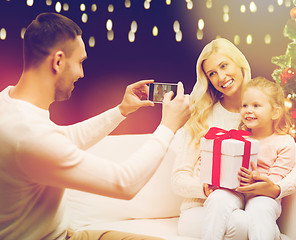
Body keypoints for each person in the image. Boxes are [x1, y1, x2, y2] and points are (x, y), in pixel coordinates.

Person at [0, 13, 190, 240]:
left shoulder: (9, 103)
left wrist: (121, 110)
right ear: (58, 61)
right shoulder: (28, 136)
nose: (81, 73)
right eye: (80, 62)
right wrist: (169, 126)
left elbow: (63, 138)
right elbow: (124, 183)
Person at [171, 38, 296, 239]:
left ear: (240, 64)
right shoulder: (201, 117)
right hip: (200, 208)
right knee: (242, 223)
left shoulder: (263, 112)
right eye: (212, 74)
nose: (221, 77)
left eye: (224, 66)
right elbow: (178, 178)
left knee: (248, 219)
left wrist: (276, 188)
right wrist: (206, 189)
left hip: (247, 204)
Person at [202, 76, 296, 240]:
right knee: (216, 199)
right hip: (236, 191)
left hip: (264, 195)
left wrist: (259, 182)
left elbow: (275, 180)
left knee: (260, 209)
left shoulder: (284, 141)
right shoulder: (238, 138)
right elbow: (224, 166)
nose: (248, 110)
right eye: (244, 105)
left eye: (256, 105)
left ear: (274, 112)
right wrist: (214, 181)